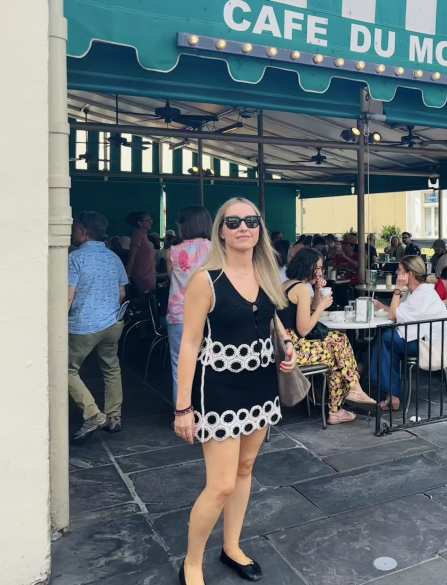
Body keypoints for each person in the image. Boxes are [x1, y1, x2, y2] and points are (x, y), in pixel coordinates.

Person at [174, 197, 295, 585]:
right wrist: (182, 408)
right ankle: (192, 562)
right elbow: (189, 344)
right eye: (233, 222)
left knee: (245, 470)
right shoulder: (205, 280)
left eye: (251, 220)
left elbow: (270, 316)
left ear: (260, 228)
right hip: (220, 389)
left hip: (260, 385)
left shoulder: (266, 274)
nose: (243, 227)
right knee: (221, 483)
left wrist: (286, 344)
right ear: (221, 232)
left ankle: (232, 547)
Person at [280, 248, 375, 424]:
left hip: (285, 347)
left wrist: (317, 290)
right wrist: (323, 305)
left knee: (337, 346)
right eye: (319, 267)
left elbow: (308, 311)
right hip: (295, 349)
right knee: (339, 343)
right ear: (309, 267)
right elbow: (304, 329)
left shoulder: (288, 284)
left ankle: (347, 398)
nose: (321, 271)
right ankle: (341, 403)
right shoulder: (300, 288)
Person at [68, 211, 128, 440]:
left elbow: (68, 296)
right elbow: (122, 293)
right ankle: (114, 417)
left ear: (83, 231)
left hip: (83, 325)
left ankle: (92, 413)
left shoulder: (75, 258)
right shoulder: (113, 257)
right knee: (111, 368)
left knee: (66, 370)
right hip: (112, 324)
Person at [370, 256, 447, 411]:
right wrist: (383, 306)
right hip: (422, 337)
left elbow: (394, 316)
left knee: (386, 339)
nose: (396, 272)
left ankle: (386, 390)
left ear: (411, 273)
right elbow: (400, 313)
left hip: (431, 345)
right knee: (386, 339)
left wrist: (397, 290)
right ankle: (391, 394)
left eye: (400, 270)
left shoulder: (423, 293)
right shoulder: (416, 291)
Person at [167, 207, 212, 404]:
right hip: (208, 313)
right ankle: (208, 409)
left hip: (178, 313)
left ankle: (182, 411)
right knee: (210, 362)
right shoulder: (215, 249)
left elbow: (171, 278)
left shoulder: (174, 250)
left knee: (179, 364)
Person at [126, 211, 157, 294]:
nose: (151, 221)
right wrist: (128, 275)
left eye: (151, 219)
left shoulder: (144, 235)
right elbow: (132, 255)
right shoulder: (138, 234)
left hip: (148, 275)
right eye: (148, 220)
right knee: (145, 303)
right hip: (142, 277)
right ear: (139, 223)